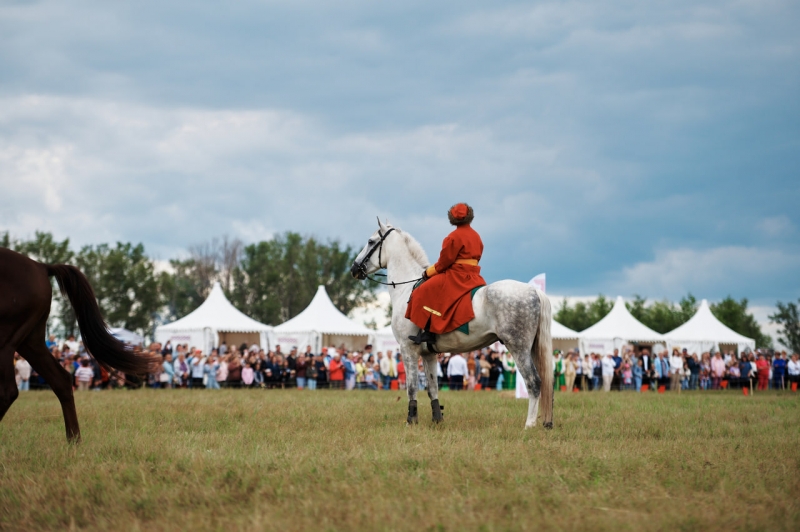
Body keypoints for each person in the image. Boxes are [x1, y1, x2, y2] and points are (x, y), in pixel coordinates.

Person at [406, 203, 486, 346]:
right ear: (469, 217)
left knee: (420, 291)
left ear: (453, 219)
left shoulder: (452, 237)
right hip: (475, 277)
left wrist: (428, 272)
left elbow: (444, 263)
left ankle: (429, 333)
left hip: (456, 276)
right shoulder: (477, 236)